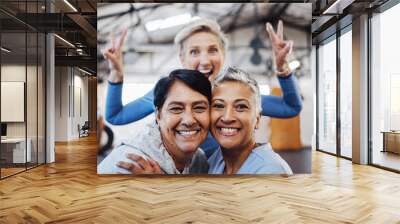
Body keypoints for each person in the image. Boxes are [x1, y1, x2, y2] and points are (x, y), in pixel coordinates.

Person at [102, 18, 302, 157]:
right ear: (182, 58)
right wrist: (116, 75)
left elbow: (290, 107)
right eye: (194, 52)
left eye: (213, 50)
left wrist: (283, 68)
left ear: (223, 54)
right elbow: (116, 116)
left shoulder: (235, 92)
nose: (204, 60)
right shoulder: (168, 91)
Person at [97, 69, 211, 174]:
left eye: (199, 108)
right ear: (158, 115)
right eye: (176, 109)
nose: (189, 120)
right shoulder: (132, 165)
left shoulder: (199, 160)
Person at [208, 67, 292, 175]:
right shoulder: (215, 159)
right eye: (219, 105)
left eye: (240, 106)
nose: (227, 117)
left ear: (257, 119)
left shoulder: (273, 170)